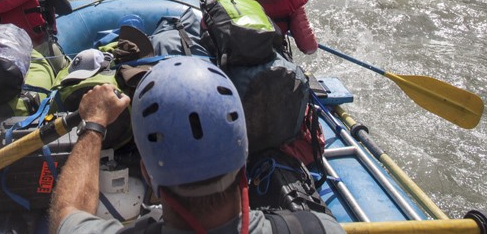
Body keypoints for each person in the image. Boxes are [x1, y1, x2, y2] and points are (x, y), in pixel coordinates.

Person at [49, 56, 343, 233]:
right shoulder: (320, 228)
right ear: (244, 154)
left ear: (148, 174)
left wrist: (94, 124)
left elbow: (68, 211)